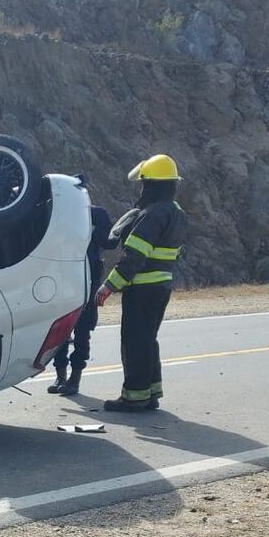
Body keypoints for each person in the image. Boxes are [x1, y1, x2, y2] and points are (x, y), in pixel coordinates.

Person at [95, 154, 188, 411]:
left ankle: (134, 397)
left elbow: (133, 257)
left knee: (134, 341)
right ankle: (151, 393)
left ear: (151, 185)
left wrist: (109, 286)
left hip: (142, 288)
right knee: (148, 339)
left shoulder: (152, 214)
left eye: (144, 184)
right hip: (162, 286)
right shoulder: (176, 212)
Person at [47, 176, 118, 396]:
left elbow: (109, 242)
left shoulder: (94, 214)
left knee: (80, 330)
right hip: (65, 279)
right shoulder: (58, 214)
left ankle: (73, 380)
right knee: (61, 329)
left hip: (84, 279)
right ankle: (61, 377)